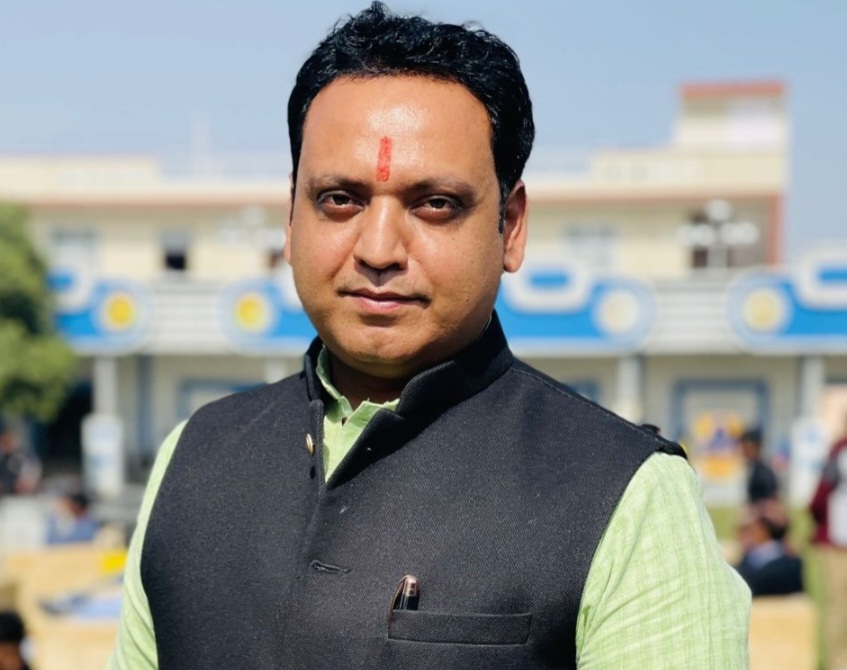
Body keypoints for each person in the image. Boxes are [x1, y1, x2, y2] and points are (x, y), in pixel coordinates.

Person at [109, 4, 749, 668]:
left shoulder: (624, 493)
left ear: (510, 226)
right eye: (339, 200)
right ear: (291, 220)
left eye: (435, 204)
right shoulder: (195, 457)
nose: (378, 249)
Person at [809, 415, 847, 670]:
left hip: (837, 544)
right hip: (837, 543)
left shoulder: (839, 451)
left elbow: (819, 499)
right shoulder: (838, 452)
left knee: (837, 610)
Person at [735, 499, 803, 597]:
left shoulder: (785, 566)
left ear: (762, 530)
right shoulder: (750, 559)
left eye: (747, 529)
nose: (741, 536)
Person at [739, 427, 779, 503]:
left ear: (756, 447)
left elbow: (772, 503)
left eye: (745, 446)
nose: (742, 450)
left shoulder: (763, 473)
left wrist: (752, 509)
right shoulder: (754, 469)